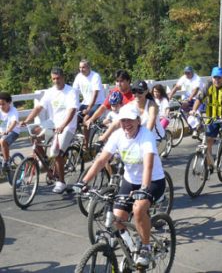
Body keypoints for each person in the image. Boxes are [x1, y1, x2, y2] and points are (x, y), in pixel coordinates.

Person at [74, 104, 165, 268]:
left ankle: (145, 246)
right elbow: (101, 161)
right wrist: (83, 182)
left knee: (138, 209)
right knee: (117, 219)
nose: (126, 124)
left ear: (138, 120)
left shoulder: (146, 136)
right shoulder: (118, 135)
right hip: (130, 181)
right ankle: (131, 248)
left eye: (130, 120)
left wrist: (144, 189)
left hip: (153, 180)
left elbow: (148, 166)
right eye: (123, 120)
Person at [22, 67, 78, 193]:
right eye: (54, 79)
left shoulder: (71, 92)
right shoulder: (50, 92)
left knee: (56, 151)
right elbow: (38, 108)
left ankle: (61, 182)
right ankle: (45, 160)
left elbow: (72, 110)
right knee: (34, 133)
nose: (56, 81)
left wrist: (63, 125)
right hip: (53, 122)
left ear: (63, 77)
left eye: (58, 78)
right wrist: (27, 120)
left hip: (68, 125)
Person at [190, 67, 222, 170]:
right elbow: (199, 99)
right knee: (208, 141)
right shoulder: (208, 86)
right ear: (212, 78)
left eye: (219, 78)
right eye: (215, 77)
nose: (217, 80)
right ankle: (210, 164)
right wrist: (194, 110)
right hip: (211, 116)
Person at [73, 59, 105, 149]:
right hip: (85, 102)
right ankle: (73, 143)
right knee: (73, 118)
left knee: (86, 120)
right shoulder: (79, 77)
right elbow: (74, 92)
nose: (81, 69)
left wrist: (88, 109)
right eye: (80, 67)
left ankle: (85, 145)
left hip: (97, 103)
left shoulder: (95, 76)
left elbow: (95, 94)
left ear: (88, 67)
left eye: (83, 67)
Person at [0, 92, 20, 172]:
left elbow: (14, 122)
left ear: (9, 103)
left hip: (13, 132)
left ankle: (6, 162)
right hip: (2, 133)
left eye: (3, 104)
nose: (1, 106)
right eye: (0, 104)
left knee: (3, 141)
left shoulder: (13, 110)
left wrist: (7, 131)